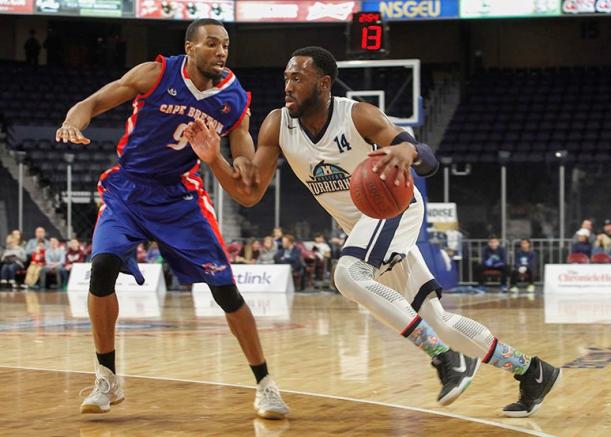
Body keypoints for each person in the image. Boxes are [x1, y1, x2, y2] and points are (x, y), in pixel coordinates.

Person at [184, 46, 562, 417]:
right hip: (365, 230)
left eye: (298, 78)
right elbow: (248, 195)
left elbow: (426, 157)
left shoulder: (359, 116)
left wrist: (406, 152)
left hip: (396, 209)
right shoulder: (277, 124)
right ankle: (532, 371)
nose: (288, 85)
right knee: (439, 321)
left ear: (324, 83)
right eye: (286, 77)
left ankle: (446, 360)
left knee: (348, 274)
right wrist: (214, 158)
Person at [55, 18, 287, 418]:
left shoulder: (233, 98)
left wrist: (246, 163)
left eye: (226, 46)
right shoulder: (156, 72)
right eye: (212, 44)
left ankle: (265, 384)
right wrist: (72, 122)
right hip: (129, 189)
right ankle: (107, 378)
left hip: (180, 196)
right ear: (190, 47)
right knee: (102, 268)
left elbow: (241, 141)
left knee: (225, 291)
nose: (221, 52)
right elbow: (91, 103)